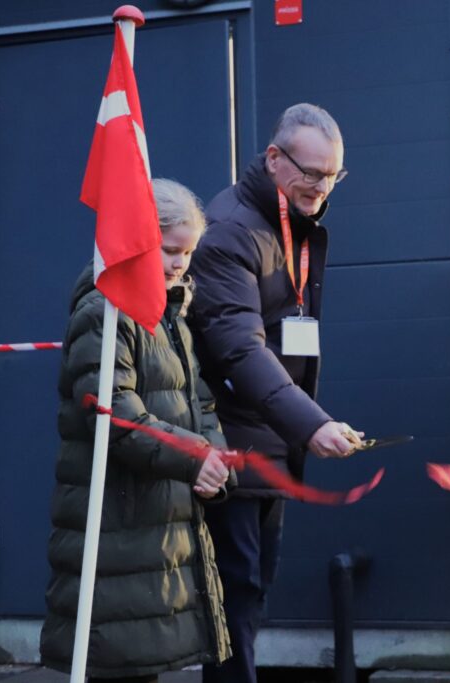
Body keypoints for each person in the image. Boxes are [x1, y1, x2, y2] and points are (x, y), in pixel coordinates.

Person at [188, 103, 362, 683]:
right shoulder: (230, 231)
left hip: (270, 439)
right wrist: (311, 423)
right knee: (234, 599)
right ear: (273, 158)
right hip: (232, 444)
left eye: (333, 175)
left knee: (252, 593)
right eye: (311, 173)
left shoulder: (293, 224)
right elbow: (240, 349)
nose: (322, 187)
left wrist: (300, 425)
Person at [39, 179, 234, 682]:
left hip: (160, 525)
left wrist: (215, 460)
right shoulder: (103, 313)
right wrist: (194, 458)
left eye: (187, 253)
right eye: (170, 250)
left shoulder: (169, 314)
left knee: (143, 665)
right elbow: (114, 414)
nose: (180, 264)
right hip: (118, 525)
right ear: (139, 241)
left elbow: (199, 401)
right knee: (117, 664)